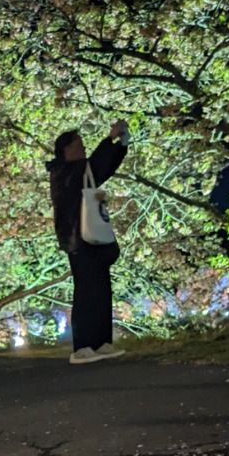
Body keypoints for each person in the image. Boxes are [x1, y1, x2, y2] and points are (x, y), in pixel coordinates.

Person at [46, 120, 130, 364]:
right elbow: (94, 165)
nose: (83, 148)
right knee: (86, 290)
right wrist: (110, 140)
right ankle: (82, 345)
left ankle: (101, 342)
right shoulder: (62, 171)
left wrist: (120, 146)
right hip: (77, 239)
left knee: (102, 289)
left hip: (90, 237)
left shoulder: (79, 170)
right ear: (67, 150)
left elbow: (100, 169)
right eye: (79, 145)